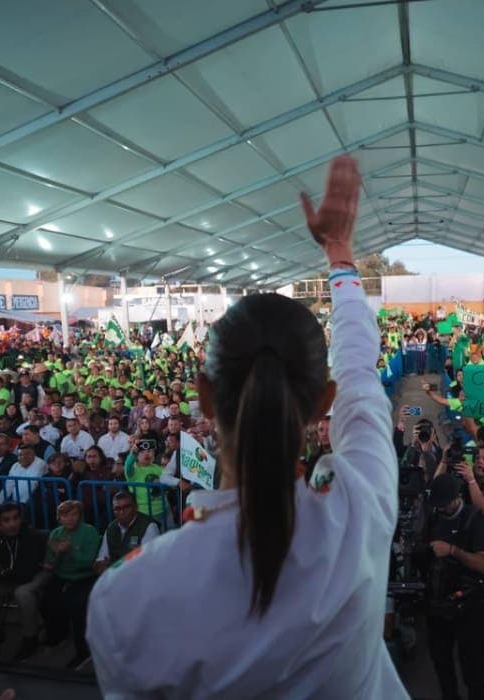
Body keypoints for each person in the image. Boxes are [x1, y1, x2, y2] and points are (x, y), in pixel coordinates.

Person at [86, 156, 404, 698]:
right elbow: (358, 371)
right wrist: (340, 255)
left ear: (204, 396)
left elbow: (355, 377)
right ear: (322, 404)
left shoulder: (128, 597)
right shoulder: (358, 507)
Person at [423, 473, 484, 700]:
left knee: (472, 665)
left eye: (445, 503)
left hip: (468, 604)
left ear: (457, 497)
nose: (441, 508)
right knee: (441, 661)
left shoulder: (474, 519)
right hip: (438, 602)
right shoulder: (434, 517)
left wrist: (452, 551)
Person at [0, 503, 50, 659]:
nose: (13, 524)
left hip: (33, 576)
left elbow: (27, 573)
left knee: (23, 593)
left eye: (15, 518)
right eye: (6, 520)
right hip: (4, 580)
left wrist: (1, 572)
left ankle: (30, 637)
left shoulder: (33, 537)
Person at [42, 500, 99, 668]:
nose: (70, 519)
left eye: (74, 514)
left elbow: (90, 562)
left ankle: (83, 651)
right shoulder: (56, 534)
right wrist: (56, 556)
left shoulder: (89, 532)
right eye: (65, 515)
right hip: (61, 575)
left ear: (80, 516)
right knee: (45, 601)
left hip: (84, 577)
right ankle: (57, 636)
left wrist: (71, 551)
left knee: (76, 605)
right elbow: (51, 562)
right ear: (59, 518)